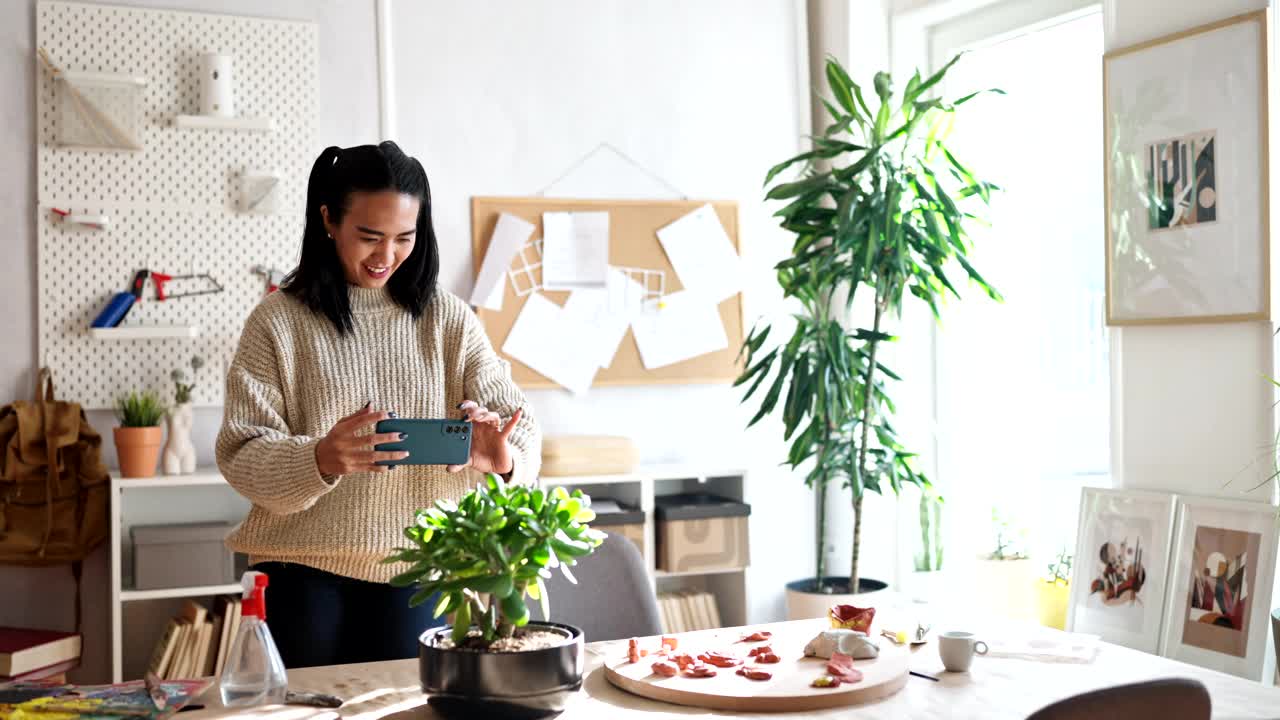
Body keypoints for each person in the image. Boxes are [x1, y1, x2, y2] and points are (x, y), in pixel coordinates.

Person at [216, 142, 541, 668]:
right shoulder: (277, 322)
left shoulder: (449, 321)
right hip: (301, 565)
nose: (386, 256)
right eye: (369, 237)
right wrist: (320, 458)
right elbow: (242, 455)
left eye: (404, 238)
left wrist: (497, 457)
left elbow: (522, 436)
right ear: (328, 220)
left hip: (419, 568)